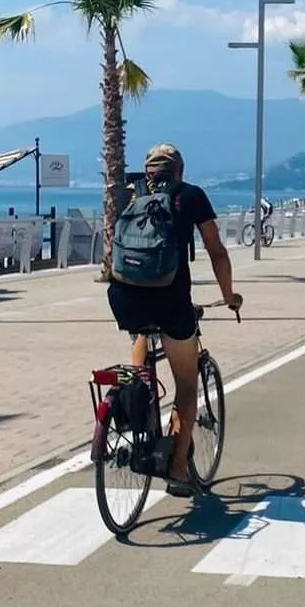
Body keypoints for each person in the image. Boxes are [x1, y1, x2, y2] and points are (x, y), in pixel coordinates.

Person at [107, 144, 242, 497]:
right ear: (179, 171)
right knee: (186, 384)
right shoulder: (191, 196)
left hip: (123, 295)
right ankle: (179, 469)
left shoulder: (130, 194)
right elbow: (217, 251)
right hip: (170, 297)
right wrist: (229, 296)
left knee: (142, 341)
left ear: (147, 171)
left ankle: (137, 405)